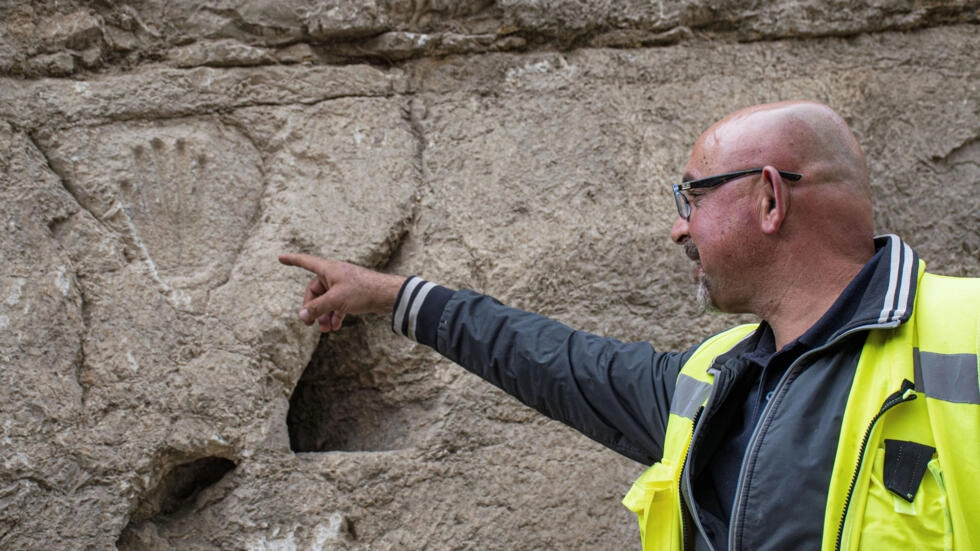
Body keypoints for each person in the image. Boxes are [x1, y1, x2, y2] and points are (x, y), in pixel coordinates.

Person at [279, 101, 980, 550]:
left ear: (769, 197)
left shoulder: (965, 333)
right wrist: (393, 295)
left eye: (692, 195)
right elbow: (557, 362)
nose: (678, 226)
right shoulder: (714, 378)